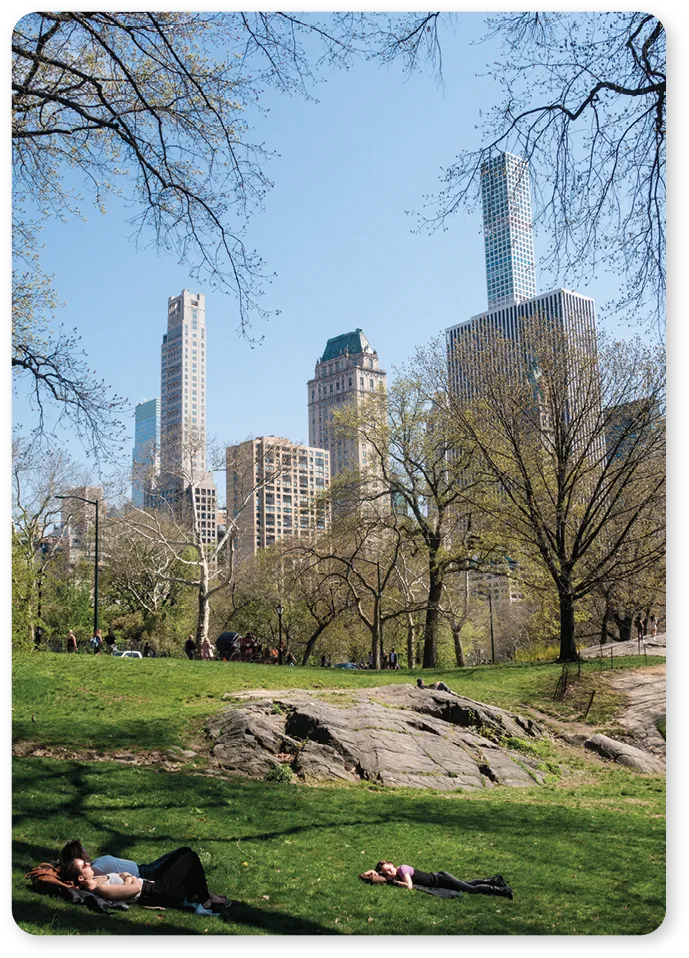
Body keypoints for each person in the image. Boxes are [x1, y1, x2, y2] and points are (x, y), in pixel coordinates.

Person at [63, 847, 228, 915]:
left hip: (153, 888)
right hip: (157, 891)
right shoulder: (101, 889)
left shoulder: (97, 880)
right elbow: (133, 890)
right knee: (189, 857)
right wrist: (129, 877)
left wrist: (127, 877)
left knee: (186, 854)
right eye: (83, 865)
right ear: (80, 877)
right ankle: (205, 904)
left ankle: (195, 899)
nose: (87, 863)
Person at [363, 860, 513, 899]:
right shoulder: (395, 874)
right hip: (440, 880)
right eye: (385, 872)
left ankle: (502, 890)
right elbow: (369, 874)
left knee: (471, 889)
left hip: (441, 878)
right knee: (468, 884)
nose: (388, 871)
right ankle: (494, 881)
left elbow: (409, 886)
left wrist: (395, 882)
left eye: (388, 868)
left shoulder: (402, 869)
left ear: (391, 864)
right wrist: (373, 872)